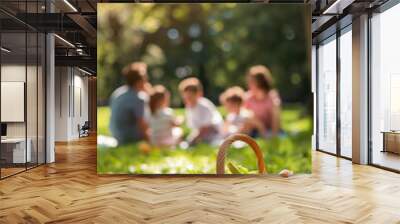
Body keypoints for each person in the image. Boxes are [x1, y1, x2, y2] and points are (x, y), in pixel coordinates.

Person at [109, 62, 150, 145]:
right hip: (129, 137)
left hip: (116, 135)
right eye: (145, 78)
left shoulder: (118, 92)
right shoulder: (138, 98)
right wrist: (149, 141)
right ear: (140, 80)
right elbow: (142, 124)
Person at [179, 77, 223, 145]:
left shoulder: (204, 106)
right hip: (201, 133)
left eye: (190, 97)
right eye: (186, 98)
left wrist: (194, 138)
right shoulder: (189, 107)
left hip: (214, 132)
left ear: (198, 94)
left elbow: (206, 127)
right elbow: (195, 127)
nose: (188, 100)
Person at [244, 65, 281, 137]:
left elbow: (276, 119)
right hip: (254, 131)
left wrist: (274, 135)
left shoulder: (272, 97)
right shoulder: (248, 97)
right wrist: (260, 126)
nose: (248, 84)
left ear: (260, 83)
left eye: (251, 82)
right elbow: (244, 117)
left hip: (271, 130)